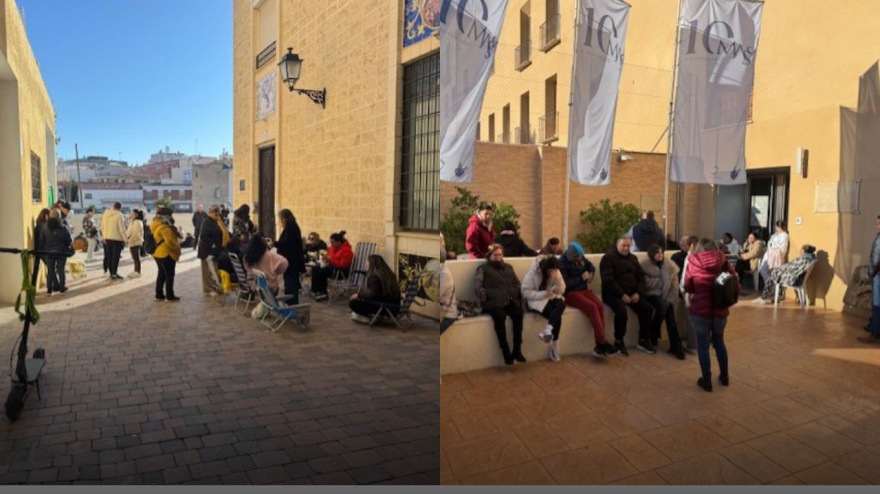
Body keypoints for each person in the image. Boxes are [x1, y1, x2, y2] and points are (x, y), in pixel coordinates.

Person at [683, 238, 739, 392]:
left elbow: (688, 285)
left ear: (699, 248)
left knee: (703, 345)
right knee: (719, 342)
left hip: (700, 311)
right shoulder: (723, 260)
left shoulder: (692, 262)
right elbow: (735, 280)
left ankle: (706, 380)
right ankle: (724, 376)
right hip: (720, 309)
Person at [558, 242, 619, 358]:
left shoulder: (581, 257)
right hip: (571, 293)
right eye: (578, 258)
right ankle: (603, 342)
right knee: (592, 307)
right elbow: (565, 285)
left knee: (600, 306)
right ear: (572, 257)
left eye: (581, 257)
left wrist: (590, 274)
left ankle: (599, 345)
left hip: (584, 290)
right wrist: (581, 278)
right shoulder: (562, 264)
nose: (580, 260)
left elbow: (591, 266)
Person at [600, 236, 655, 356]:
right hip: (613, 294)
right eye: (623, 246)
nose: (626, 248)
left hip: (632, 293)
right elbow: (608, 280)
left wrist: (638, 293)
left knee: (647, 309)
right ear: (617, 245)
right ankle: (618, 340)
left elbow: (641, 277)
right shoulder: (608, 258)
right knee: (621, 311)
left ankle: (643, 339)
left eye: (628, 246)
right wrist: (621, 295)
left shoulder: (633, 258)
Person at [475, 244, 525, 365]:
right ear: (489, 256)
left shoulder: (508, 267)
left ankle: (517, 350)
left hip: (509, 300)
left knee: (518, 314)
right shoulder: (483, 269)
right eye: (495, 255)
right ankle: (505, 350)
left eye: (500, 254)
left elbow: (517, 283)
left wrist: (513, 293)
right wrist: (487, 297)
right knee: (499, 317)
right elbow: (478, 288)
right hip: (493, 303)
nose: (498, 257)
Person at [641, 244, 685, 360]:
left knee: (669, 314)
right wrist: (662, 281)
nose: (660, 255)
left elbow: (674, 286)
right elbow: (646, 284)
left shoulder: (670, 266)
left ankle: (661, 337)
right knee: (663, 307)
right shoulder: (645, 265)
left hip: (666, 296)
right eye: (657, 253)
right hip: (651, 294)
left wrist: (670, 299)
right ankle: (676, 346)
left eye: (661, 252)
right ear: (652, 254)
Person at [522, 255, 567, 362]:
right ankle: (554, 345)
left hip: (550, 297)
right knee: (557, 315)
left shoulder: (556, 272)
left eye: (555, 269)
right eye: (551, 270)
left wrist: (557, 279)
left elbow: (562, 290)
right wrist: (543, 294)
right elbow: (525, 292)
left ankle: (548, 330)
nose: (554, 271)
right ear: (546, 268)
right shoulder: (532, 273)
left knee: (561, 303)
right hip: (537, 300)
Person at [752, 244, 817, 304]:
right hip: (798, 278)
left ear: (803, 251)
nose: (799, 251)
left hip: (794, 280)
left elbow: (792, 268)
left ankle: (765, 297)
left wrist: (780, 270)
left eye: (800, 250)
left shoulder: (804, 259)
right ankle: (777, 296)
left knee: (773, 278)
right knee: (776, 276)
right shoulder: (810, 259)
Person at [349, 254, 401, 322]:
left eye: (367, 262)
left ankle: (368, 318)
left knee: (354, 303)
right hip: (393, 307)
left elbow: (373, 295)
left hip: (385, 308)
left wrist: (358, 295)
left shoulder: (374, 277)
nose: (365, 265)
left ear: (372, 264)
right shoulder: (388, 274)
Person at [310, 231, 353, 301]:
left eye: (333, 242)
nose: (332, 244)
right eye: (331, 242)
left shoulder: (346, 250)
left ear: (339, 242)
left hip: (341, 271)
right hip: (332, 267)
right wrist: (325, 259)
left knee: (322, 272)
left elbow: (343, 265)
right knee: (315, 269)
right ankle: (316, 290)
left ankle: (323, 292)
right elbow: (329, 256)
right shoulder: (333, 248)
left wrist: (331, 260)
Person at [198, 205, 230, 296]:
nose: (216, 213)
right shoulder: (206, 222)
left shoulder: (218, 221)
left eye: (217, 211)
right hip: (207, 251)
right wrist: (213, 245)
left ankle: (217, 287)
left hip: (217, 250)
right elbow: (204, 236)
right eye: (214, 211)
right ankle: (209, 289)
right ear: (210, 212)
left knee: (215, 270)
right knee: (207, 272)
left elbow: (224, 232)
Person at [151, 207, 182, 301]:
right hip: (166, 253)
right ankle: (170, 295)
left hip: (158, 253)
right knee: (169, 275)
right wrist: (177, 247)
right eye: (171, 215)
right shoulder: (165, 227)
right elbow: (170, 241)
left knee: (161, 274)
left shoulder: (156, 225)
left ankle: (159, 294)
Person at [275, 209, 306, 304]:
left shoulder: (291, 228)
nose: (281, 221)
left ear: (285, 218)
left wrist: (275, 243)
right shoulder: (292, 227)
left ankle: (291, 303)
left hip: (291, 261)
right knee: (290, 281)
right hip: (291, 260)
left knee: (291, 282)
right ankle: (291, 302)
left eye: (281, 219)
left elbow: (287, 242)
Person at [41, 208, 72, 295]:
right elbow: (68, 240)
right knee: (61, 270)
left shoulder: (45, 227)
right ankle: (62, 288)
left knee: (50, 270)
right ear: (59, 216)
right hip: (61, 251)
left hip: (49, 251)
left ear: (50, 216)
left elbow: (42, 240)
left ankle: (49, 289)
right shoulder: (63, 227)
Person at [859, 216, 880, 344]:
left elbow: (876, 259)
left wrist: (871, 273)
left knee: (877, 305)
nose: (877, 226)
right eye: (877, 224)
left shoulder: (879, 239)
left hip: (878, 275)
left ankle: (875, 334)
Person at [439, 233, 459, 333]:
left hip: (448, 314)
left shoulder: (444, 274)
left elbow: (439, 295)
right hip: (442, 311)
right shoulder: (441, 269)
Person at [101, 202, 127, 280]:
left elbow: (103, 226)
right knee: (115, 257)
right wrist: (125, 239)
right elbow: (121, 229)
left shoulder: (105, 214)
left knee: (109, 256)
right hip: (117, 239)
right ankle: (114, 273)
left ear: (113, 206)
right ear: (120, 208)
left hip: (107, 238)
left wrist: (104, 237)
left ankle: (110, 272)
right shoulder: (119, 215)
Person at [761, 220, 790, 285]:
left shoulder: (784, 235)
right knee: (763, 270)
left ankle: (771, 287)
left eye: (776, 226)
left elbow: (783, 248)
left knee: (774, 273)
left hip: (776, 257)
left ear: (779, 227)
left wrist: (775, 253)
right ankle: (769, 286)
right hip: (768, 255)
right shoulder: (775, 234)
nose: (775, 228)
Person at [124, 209, 145, 278]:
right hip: (132, 242)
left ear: (136, 214)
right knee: (135, 257)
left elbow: (136, 234)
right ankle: (136, 271)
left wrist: (129, 240)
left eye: (132, 213)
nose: (130, 214)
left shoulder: (137, 222)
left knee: (136, 258)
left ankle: (137, 272)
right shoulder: (133, 221)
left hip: (135, 242)